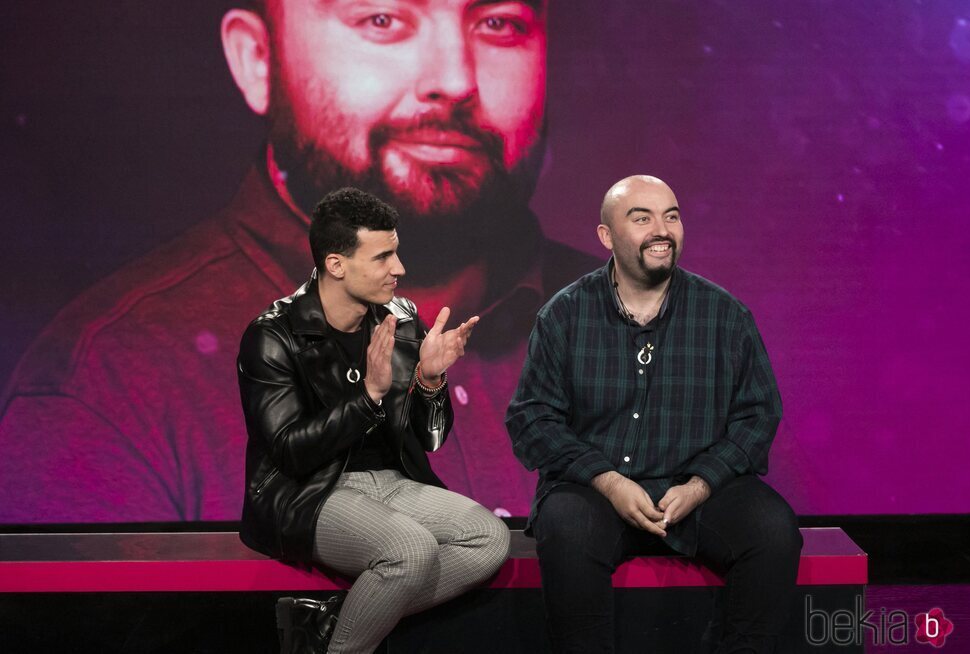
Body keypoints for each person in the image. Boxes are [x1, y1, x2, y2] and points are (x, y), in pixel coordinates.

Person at [0, 0, 597, 522]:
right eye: (382, 18)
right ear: (258, 59)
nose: (455, 78)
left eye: (499, 23)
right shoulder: (105, 389)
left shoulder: (630, 321)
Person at [506, 175, 803, 653]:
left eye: (671, 216)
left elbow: (758, 415)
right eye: (641, 218)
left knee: (773, 531)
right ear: (606, 236)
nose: (661, 230)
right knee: (567, 529)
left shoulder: (724, 315)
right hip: (595, 492)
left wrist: (700, 484)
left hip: (695, 490)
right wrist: (608, 481)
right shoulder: (565, 314)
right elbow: (532, 418)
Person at [238, 187, 510, 653]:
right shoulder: (273, 336)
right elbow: (289, 450)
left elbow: (431, 441)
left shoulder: (401, 320)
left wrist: (429, 379)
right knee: (410, 551)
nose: (399, 269)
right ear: (336, 264)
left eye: (396, 252)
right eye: (383, 257)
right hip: (310, 491)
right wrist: (367, 397)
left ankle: (333, 621)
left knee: (489, 539)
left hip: (393, 482)